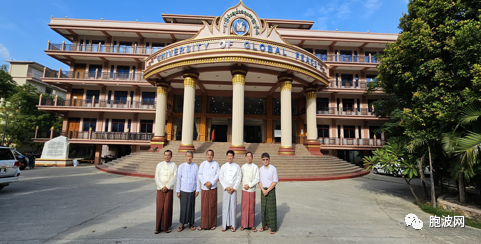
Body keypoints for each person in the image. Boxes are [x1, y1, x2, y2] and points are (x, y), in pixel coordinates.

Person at [154, 150, 177, 234]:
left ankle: (166, 227)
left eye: (169, 155)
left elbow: (175, 177)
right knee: (160, 208)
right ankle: (158, 227)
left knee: (167, 208)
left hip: (169, 189)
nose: (167, 157)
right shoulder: (159, 165)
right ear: (163, 156)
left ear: (171, 156)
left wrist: (167, 186)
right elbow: (156, 177)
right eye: (165, 155)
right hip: (160, 189)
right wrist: (161, 186)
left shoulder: (174, 165)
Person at [176, 150, 200, 232]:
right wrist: (178, 191)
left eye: (190, 156)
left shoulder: (195, 166)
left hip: (192, 189)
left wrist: (197, 189)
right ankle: (182, 224)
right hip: (183, 189)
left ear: (192, 157)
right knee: (183, 207)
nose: (189, 158)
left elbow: (197, 179)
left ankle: (191, 223)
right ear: (185, 157)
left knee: (191, 207)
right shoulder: (181, 166)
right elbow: (178, 179)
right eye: (188, 156)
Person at [219, 150, 241, 232]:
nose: (230, 157)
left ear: (233, 157)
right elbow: (221, 178)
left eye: (231, 156)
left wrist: (234, 187)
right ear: (226, 156)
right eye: (228, 155)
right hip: (226, 189)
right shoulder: (223, 166)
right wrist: (226, 187)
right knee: (225, 206)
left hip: (233, 189)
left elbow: (239, 178)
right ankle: (225, 225)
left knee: (233, 206)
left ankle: (233, 225)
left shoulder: (237, 166)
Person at [197, 149, 220, 230]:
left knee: (212, 206)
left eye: (211, 155)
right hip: (204, 188)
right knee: (204, 206)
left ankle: (212, 224)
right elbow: (199, 174)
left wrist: (211, 183)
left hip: (213, 187)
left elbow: (217, 175)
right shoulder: (203, 164)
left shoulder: (216, 164)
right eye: (208, 154)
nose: (209, 156)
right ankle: (203, 224)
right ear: (206, 155)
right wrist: (205, 183)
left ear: (213, 156)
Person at [258, 152, 278, 234]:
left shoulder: (273, 169)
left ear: (269, 160)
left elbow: (275, 181)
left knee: (271, 209)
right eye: (264, 159)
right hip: (263, 190)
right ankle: (264, 226)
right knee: (264, 209)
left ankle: (273, 228)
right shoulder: (260, 169)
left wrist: (267, 190)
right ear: (262, 160)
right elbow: (259, 181)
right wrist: (263, 190)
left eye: (267, 159)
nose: (265, 161)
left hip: (270, 190)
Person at [240, 151, 260, 232]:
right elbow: (240, 177)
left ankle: (252, 225)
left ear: (252, 157)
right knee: (244, 207)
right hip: (244, 189)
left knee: (251, 207)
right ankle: (243, 224)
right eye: (247, 156)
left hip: (251, 189)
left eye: (250, 156)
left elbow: (257, 179)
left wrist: (250, 185)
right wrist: (245, 185)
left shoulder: (255, 167)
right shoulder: (243, 167)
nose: (248, 158)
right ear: (245, 158)